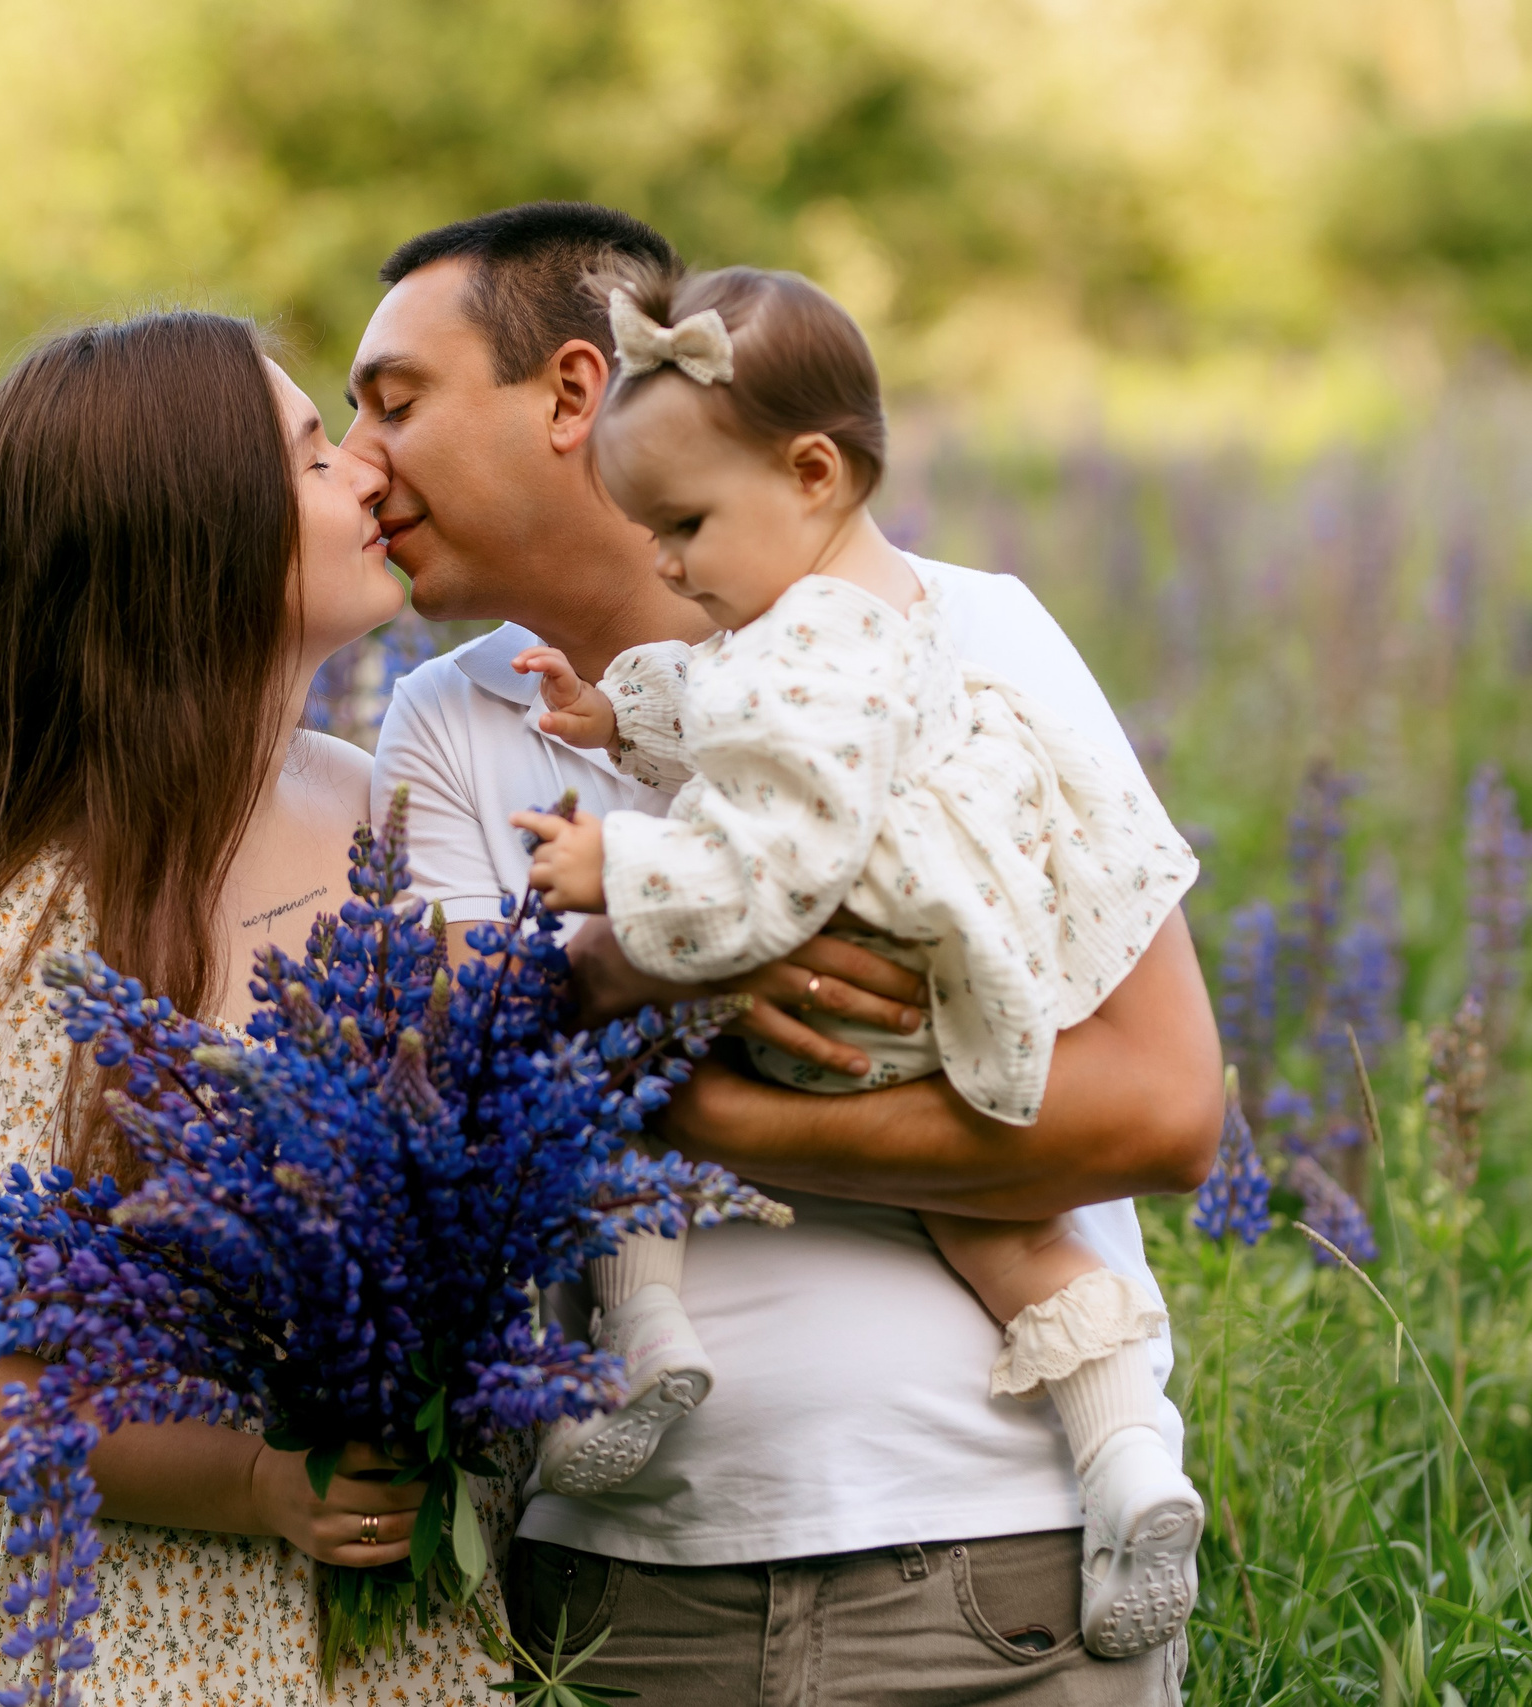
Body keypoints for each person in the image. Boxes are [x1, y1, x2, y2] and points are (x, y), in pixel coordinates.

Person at [346, 203, 1223, 1704]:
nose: (361, 462)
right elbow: (456, 1128)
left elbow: (1160, 1113)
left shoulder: (967, 636)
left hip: (995, 1569)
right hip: (625, 1595)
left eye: (395, 404)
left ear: (571, 396)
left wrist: (629, 1038)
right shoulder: (444, 724)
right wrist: (643, 970)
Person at [0, 312, 514, 1705]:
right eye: (310, 457)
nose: (366, 472)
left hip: (425, 1622)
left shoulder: (373, 805)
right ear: (192, 534)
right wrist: (249, 1480)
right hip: (163, 1634)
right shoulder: (30, 925)